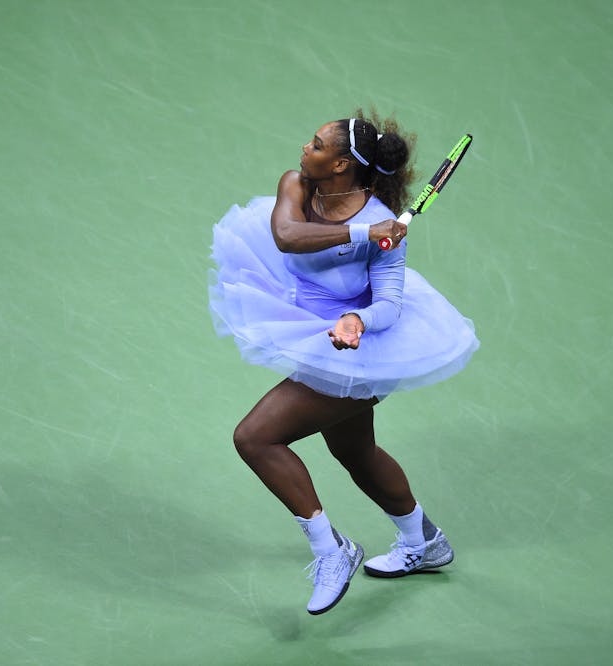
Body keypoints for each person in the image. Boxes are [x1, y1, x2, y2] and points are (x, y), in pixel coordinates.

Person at [208, 111, 479, 615]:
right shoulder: (298, 185)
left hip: (361, 345)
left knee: (256, 438)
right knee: (356, 451)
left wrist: (357, 318)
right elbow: (287, 236)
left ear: (338, 165)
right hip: (310, 318)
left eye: (314, 145)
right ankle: (424, 541)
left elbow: (391, 306)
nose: (303, 149)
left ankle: (332, 551)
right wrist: (360, 233)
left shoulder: (387, 232)